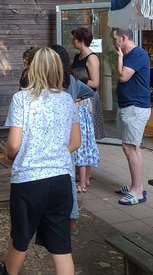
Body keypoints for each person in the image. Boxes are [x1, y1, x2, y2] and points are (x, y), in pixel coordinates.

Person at [0, 47, 81, 275]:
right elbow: (76, 141)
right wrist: (53, 153)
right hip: (61, 179)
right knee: (61, 244)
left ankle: (8, 273)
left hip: (28, 180)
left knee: (21, 236)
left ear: (33, 69)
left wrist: (11, 156)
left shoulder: (21, 99)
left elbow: (13, 145)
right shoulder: (67, 100)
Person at [50, 44, 93, 236]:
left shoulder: (50, 83)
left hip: (55, 135)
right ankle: (72, 221)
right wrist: (76, 100)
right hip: (71, 135)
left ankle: (55, 217)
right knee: (68, 177)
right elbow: (90, 92)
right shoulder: (73, 81)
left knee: (54, 176)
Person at [112, 28, 151, 206]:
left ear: (123, 38)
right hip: (129, 106)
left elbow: (123, 77)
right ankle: (136, 185)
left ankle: (137, 191)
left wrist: (119, 58)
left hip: (135, 107)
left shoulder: (137, 54)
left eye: (115, 39)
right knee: (131, 147)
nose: (114, 43)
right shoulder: (131, 55)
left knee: (130, 147)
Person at [70, 28, 105, 140]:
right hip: (78, 96)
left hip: (89, 97)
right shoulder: (77, 56)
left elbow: (95, 83)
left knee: (88, 130)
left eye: (75, 39)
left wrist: (77, 78)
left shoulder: (92, 58)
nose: (72, 41)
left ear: (82, 41)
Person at [71, 66, 100, 194]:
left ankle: (82, 184)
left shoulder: (76, 97)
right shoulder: (87, 95)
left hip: (80, 130)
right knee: (88, 154)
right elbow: (91, 110)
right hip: (88, 131)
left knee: (81, 158)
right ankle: (87, 178)